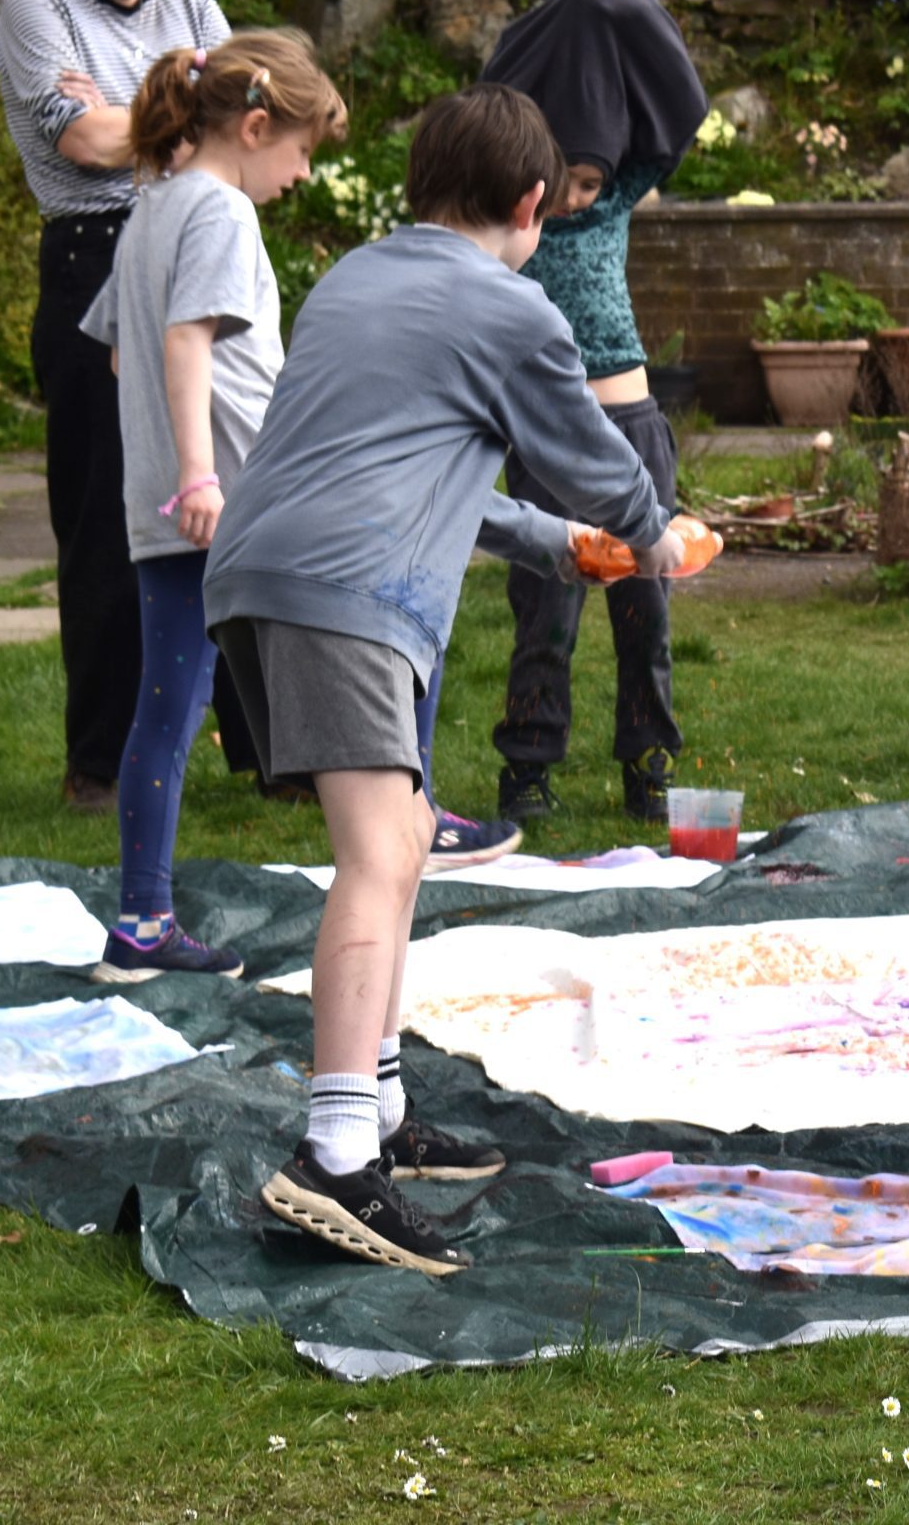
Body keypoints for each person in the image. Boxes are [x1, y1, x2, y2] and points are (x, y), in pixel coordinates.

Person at [203, 85, 681, 1273]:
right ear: (532, 204)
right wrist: (650, 537)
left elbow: (419, 465)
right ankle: (333, 1162)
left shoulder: (357, 280)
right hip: (348, 596)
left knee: (406, 830)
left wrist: (553, 546)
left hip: (259, 578)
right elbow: (592, 456)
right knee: (378, 854)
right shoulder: (510, 308)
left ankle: (378, 1109)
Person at [80, 31, 345, 982]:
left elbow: (121, 352)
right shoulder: (221, 214)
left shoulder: (151, 208)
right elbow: (185, 340)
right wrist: (201, 473)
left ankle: (142, 920)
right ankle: (414, 819)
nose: (303, 173)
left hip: (165, 509)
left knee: (166, 708)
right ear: (258, 125)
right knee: (369, 627)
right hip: (222, 503)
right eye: (303, 151)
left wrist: (172, 466)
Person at [0, 0, 273, 811]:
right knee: (105, 518)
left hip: (208, 237)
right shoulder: (34, 5)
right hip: (95, 252)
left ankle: (274, 753)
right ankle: (102, 764)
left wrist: (137, 120)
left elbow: (256, 112)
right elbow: (80, 139)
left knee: (242, 500)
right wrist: (185, 122)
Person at [475, 0, 709, 824]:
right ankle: (529, 764)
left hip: (634, 426)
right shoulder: (506, 219)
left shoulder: (615, 195)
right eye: (565, 182)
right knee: (547, 611)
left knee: (645, 608)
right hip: (548, 443)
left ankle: (650, 761)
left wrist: (607, 4)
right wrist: (558, 21)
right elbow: (490, 105)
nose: (579, 198)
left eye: (591, 181)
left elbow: (682, 103)